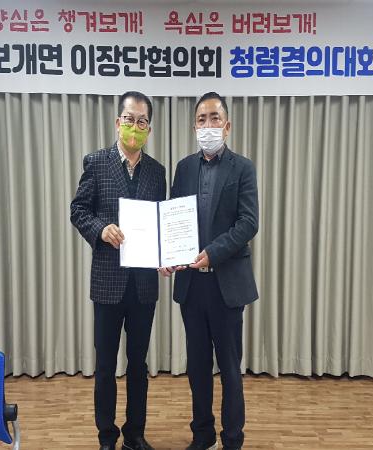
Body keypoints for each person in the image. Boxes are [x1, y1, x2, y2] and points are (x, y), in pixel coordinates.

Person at [160, 92, 259, 450]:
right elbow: (173, 218)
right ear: (194, 127)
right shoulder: (184, 168)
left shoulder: (243, 168)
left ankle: (232, 439)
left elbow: (248, 223)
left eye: (214, 118)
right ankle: (202, 436)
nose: (208, 125)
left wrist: (212, 254)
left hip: (226, 285)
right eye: (201, 119)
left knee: (230, 369)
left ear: (227, 126)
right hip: (191, 286)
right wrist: (168, 254)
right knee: (198, 367)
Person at [71, 91, 166, 450]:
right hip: (108, 283)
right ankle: (107, 436)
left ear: (149, 129)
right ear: (117, 122)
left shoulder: (157, 172)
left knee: (139, 364)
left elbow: (160, 224)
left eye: (142, 122)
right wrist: (100, 229)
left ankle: (135, 434)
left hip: (144, 285)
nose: (135, 127)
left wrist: (165, 253)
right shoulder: (96, 163)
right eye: (129, 119)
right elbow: (79, 210)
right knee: (105, 364)